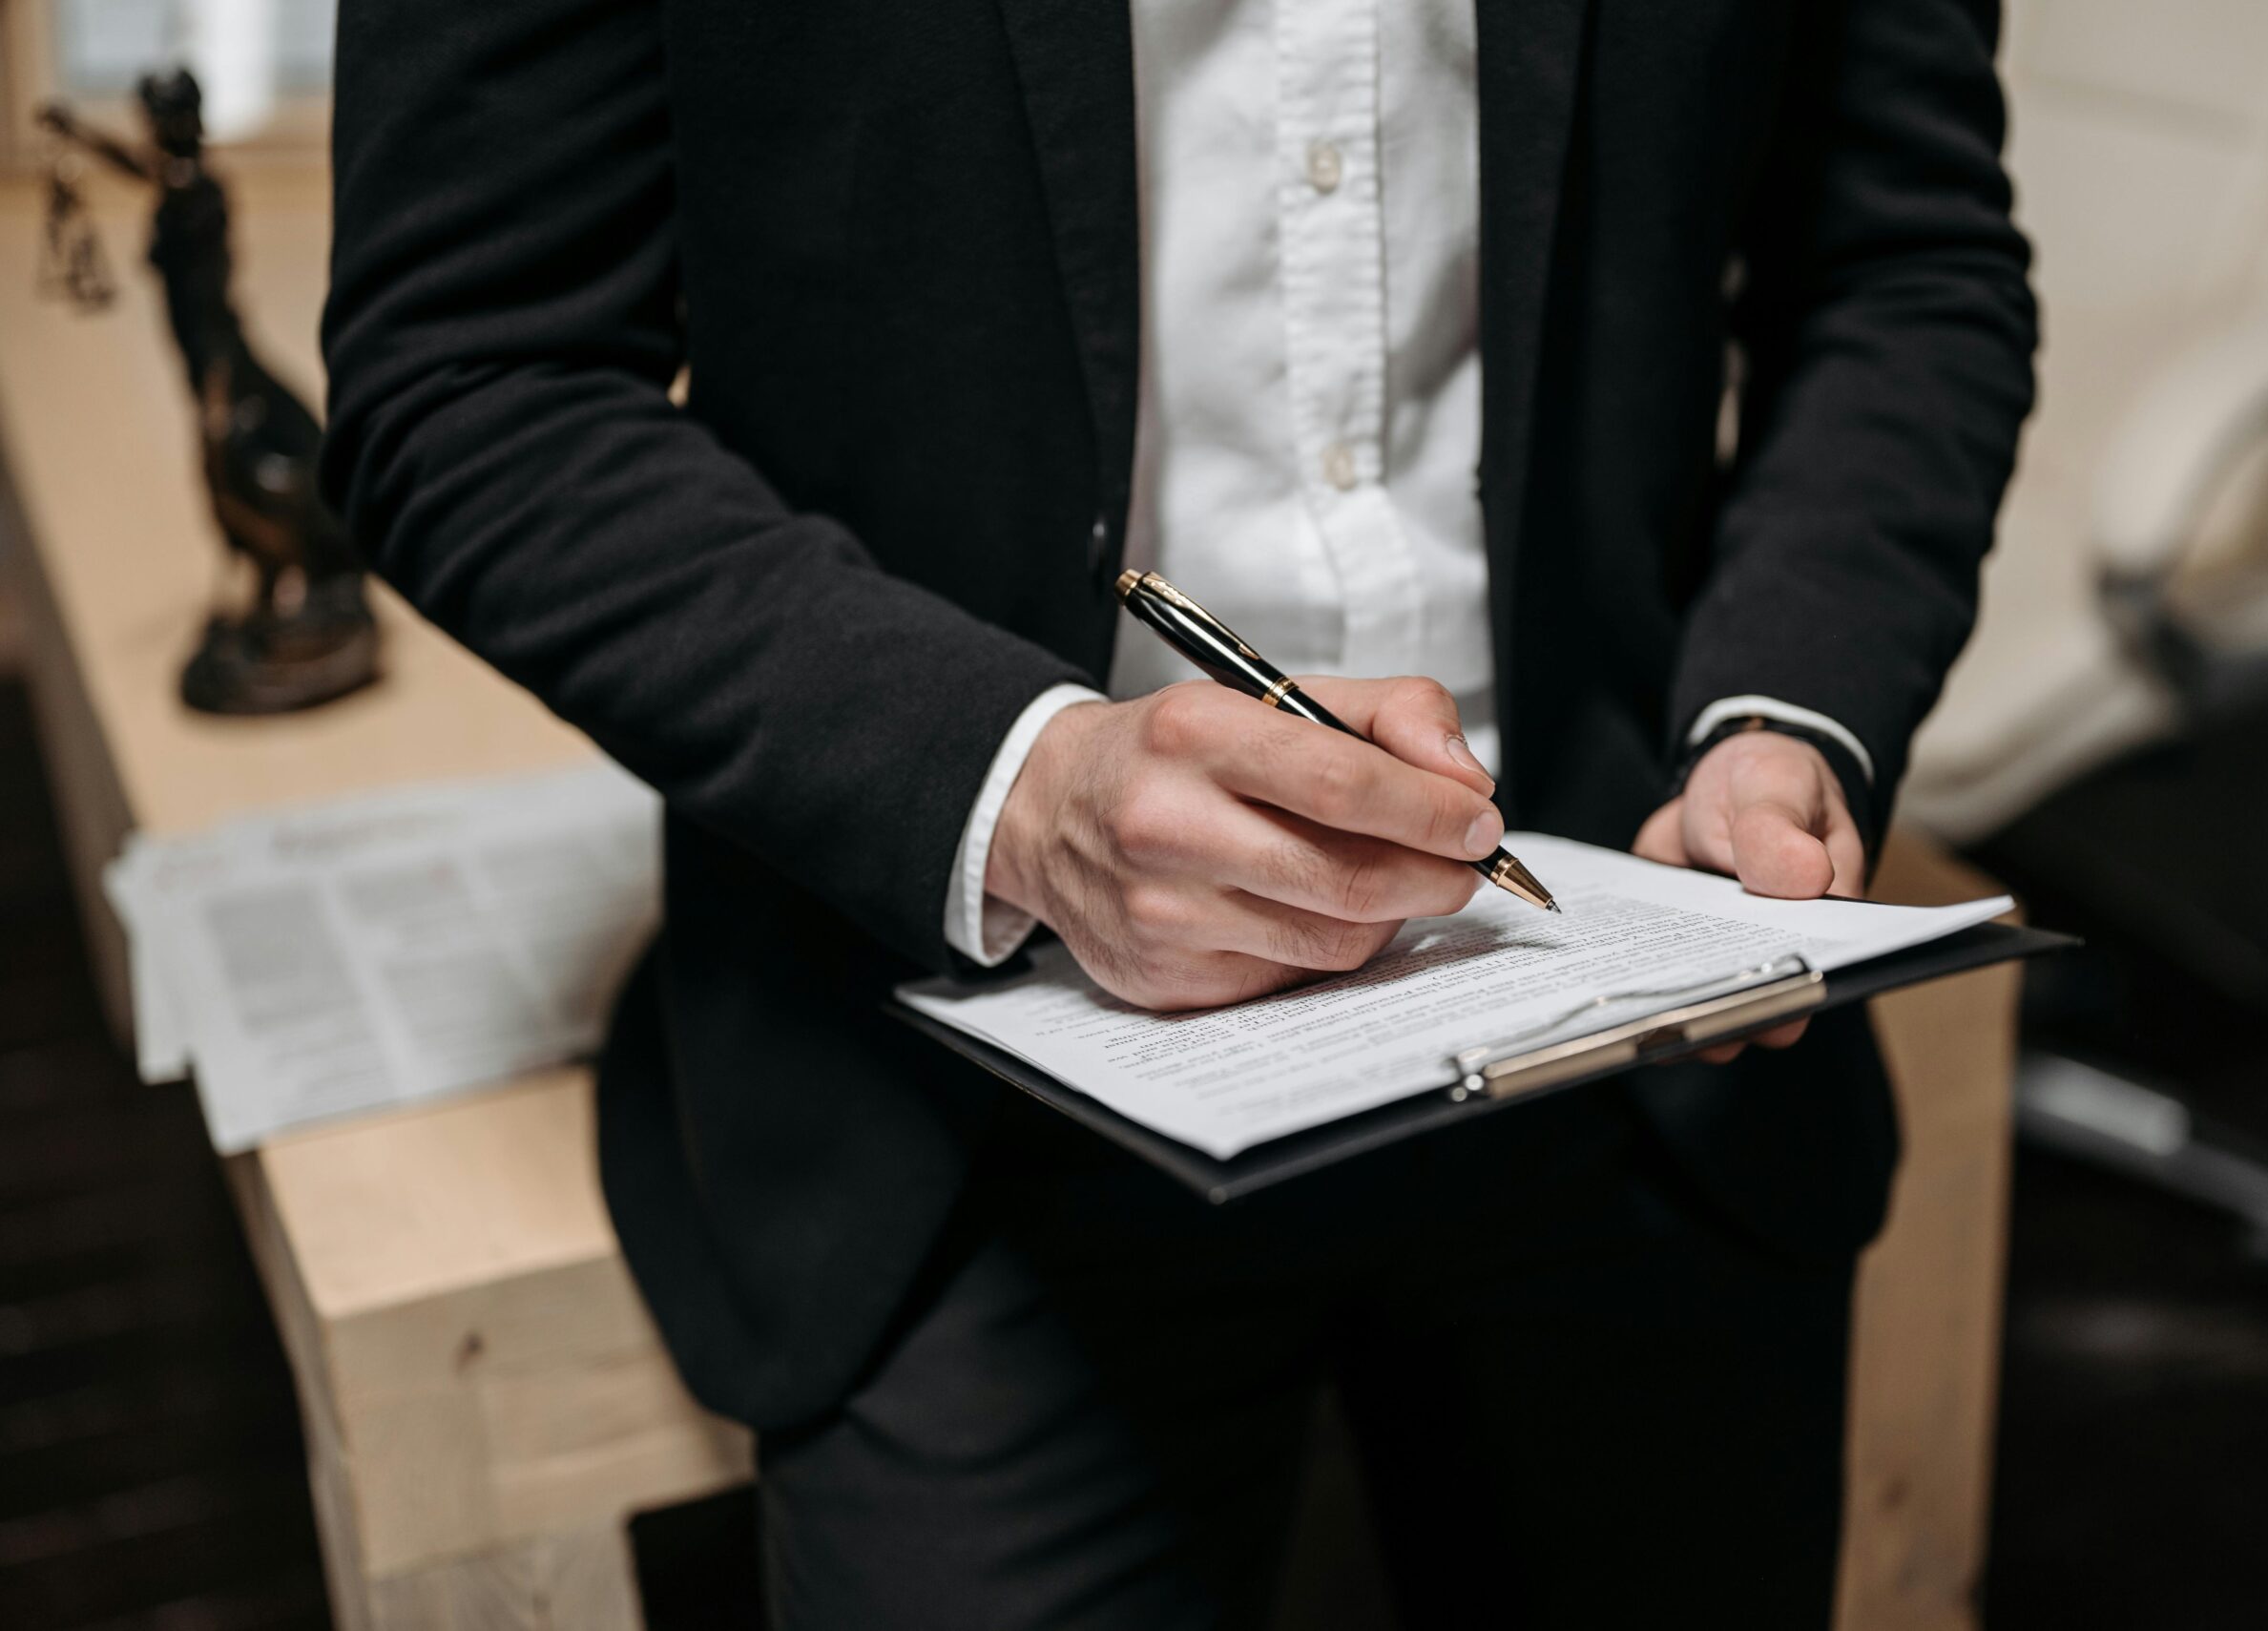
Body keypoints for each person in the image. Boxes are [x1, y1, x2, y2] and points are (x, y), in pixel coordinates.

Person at [321, 0, 2035, 1623]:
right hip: (964, 1081)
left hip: (1628, 998)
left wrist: (1785, 704)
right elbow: (476, 371)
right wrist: (1011, 782)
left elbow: (1903, 264)